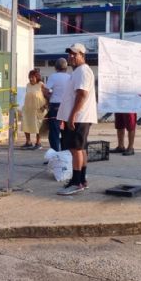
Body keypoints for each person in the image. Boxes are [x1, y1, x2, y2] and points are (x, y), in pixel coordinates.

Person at [56, 43, 97, 195]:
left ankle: (76, 182)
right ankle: (82, 179)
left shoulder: (83, 71)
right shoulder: (78, 71)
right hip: (79, 116)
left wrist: (72, 115)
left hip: (79, 117)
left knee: (76, 149)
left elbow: (82, 95)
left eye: (75, 54)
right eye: (70, 54)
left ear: (82, 55)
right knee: (81, 149)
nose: (71, 56)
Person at [43, 58, 70, 152]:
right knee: (66, 131)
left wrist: (50, 97)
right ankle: (66, 153)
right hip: (67, 106)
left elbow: (45, 91)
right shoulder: (69, 77)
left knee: (54, 132)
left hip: (55, 106)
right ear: (66, 68)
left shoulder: (53, 77)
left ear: (55, 67)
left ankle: (55, 154)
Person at [21, 69, 48, 149]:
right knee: (26, 125)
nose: (31, 79)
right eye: (29, 77)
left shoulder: (41, 85)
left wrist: (45, 106)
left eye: (32, 77)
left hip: (39, 109)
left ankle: (38, 143)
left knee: (38, 126)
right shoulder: (28, 85)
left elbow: (48, 96)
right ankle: (28, 142)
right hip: (28, 109)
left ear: (37, 77)